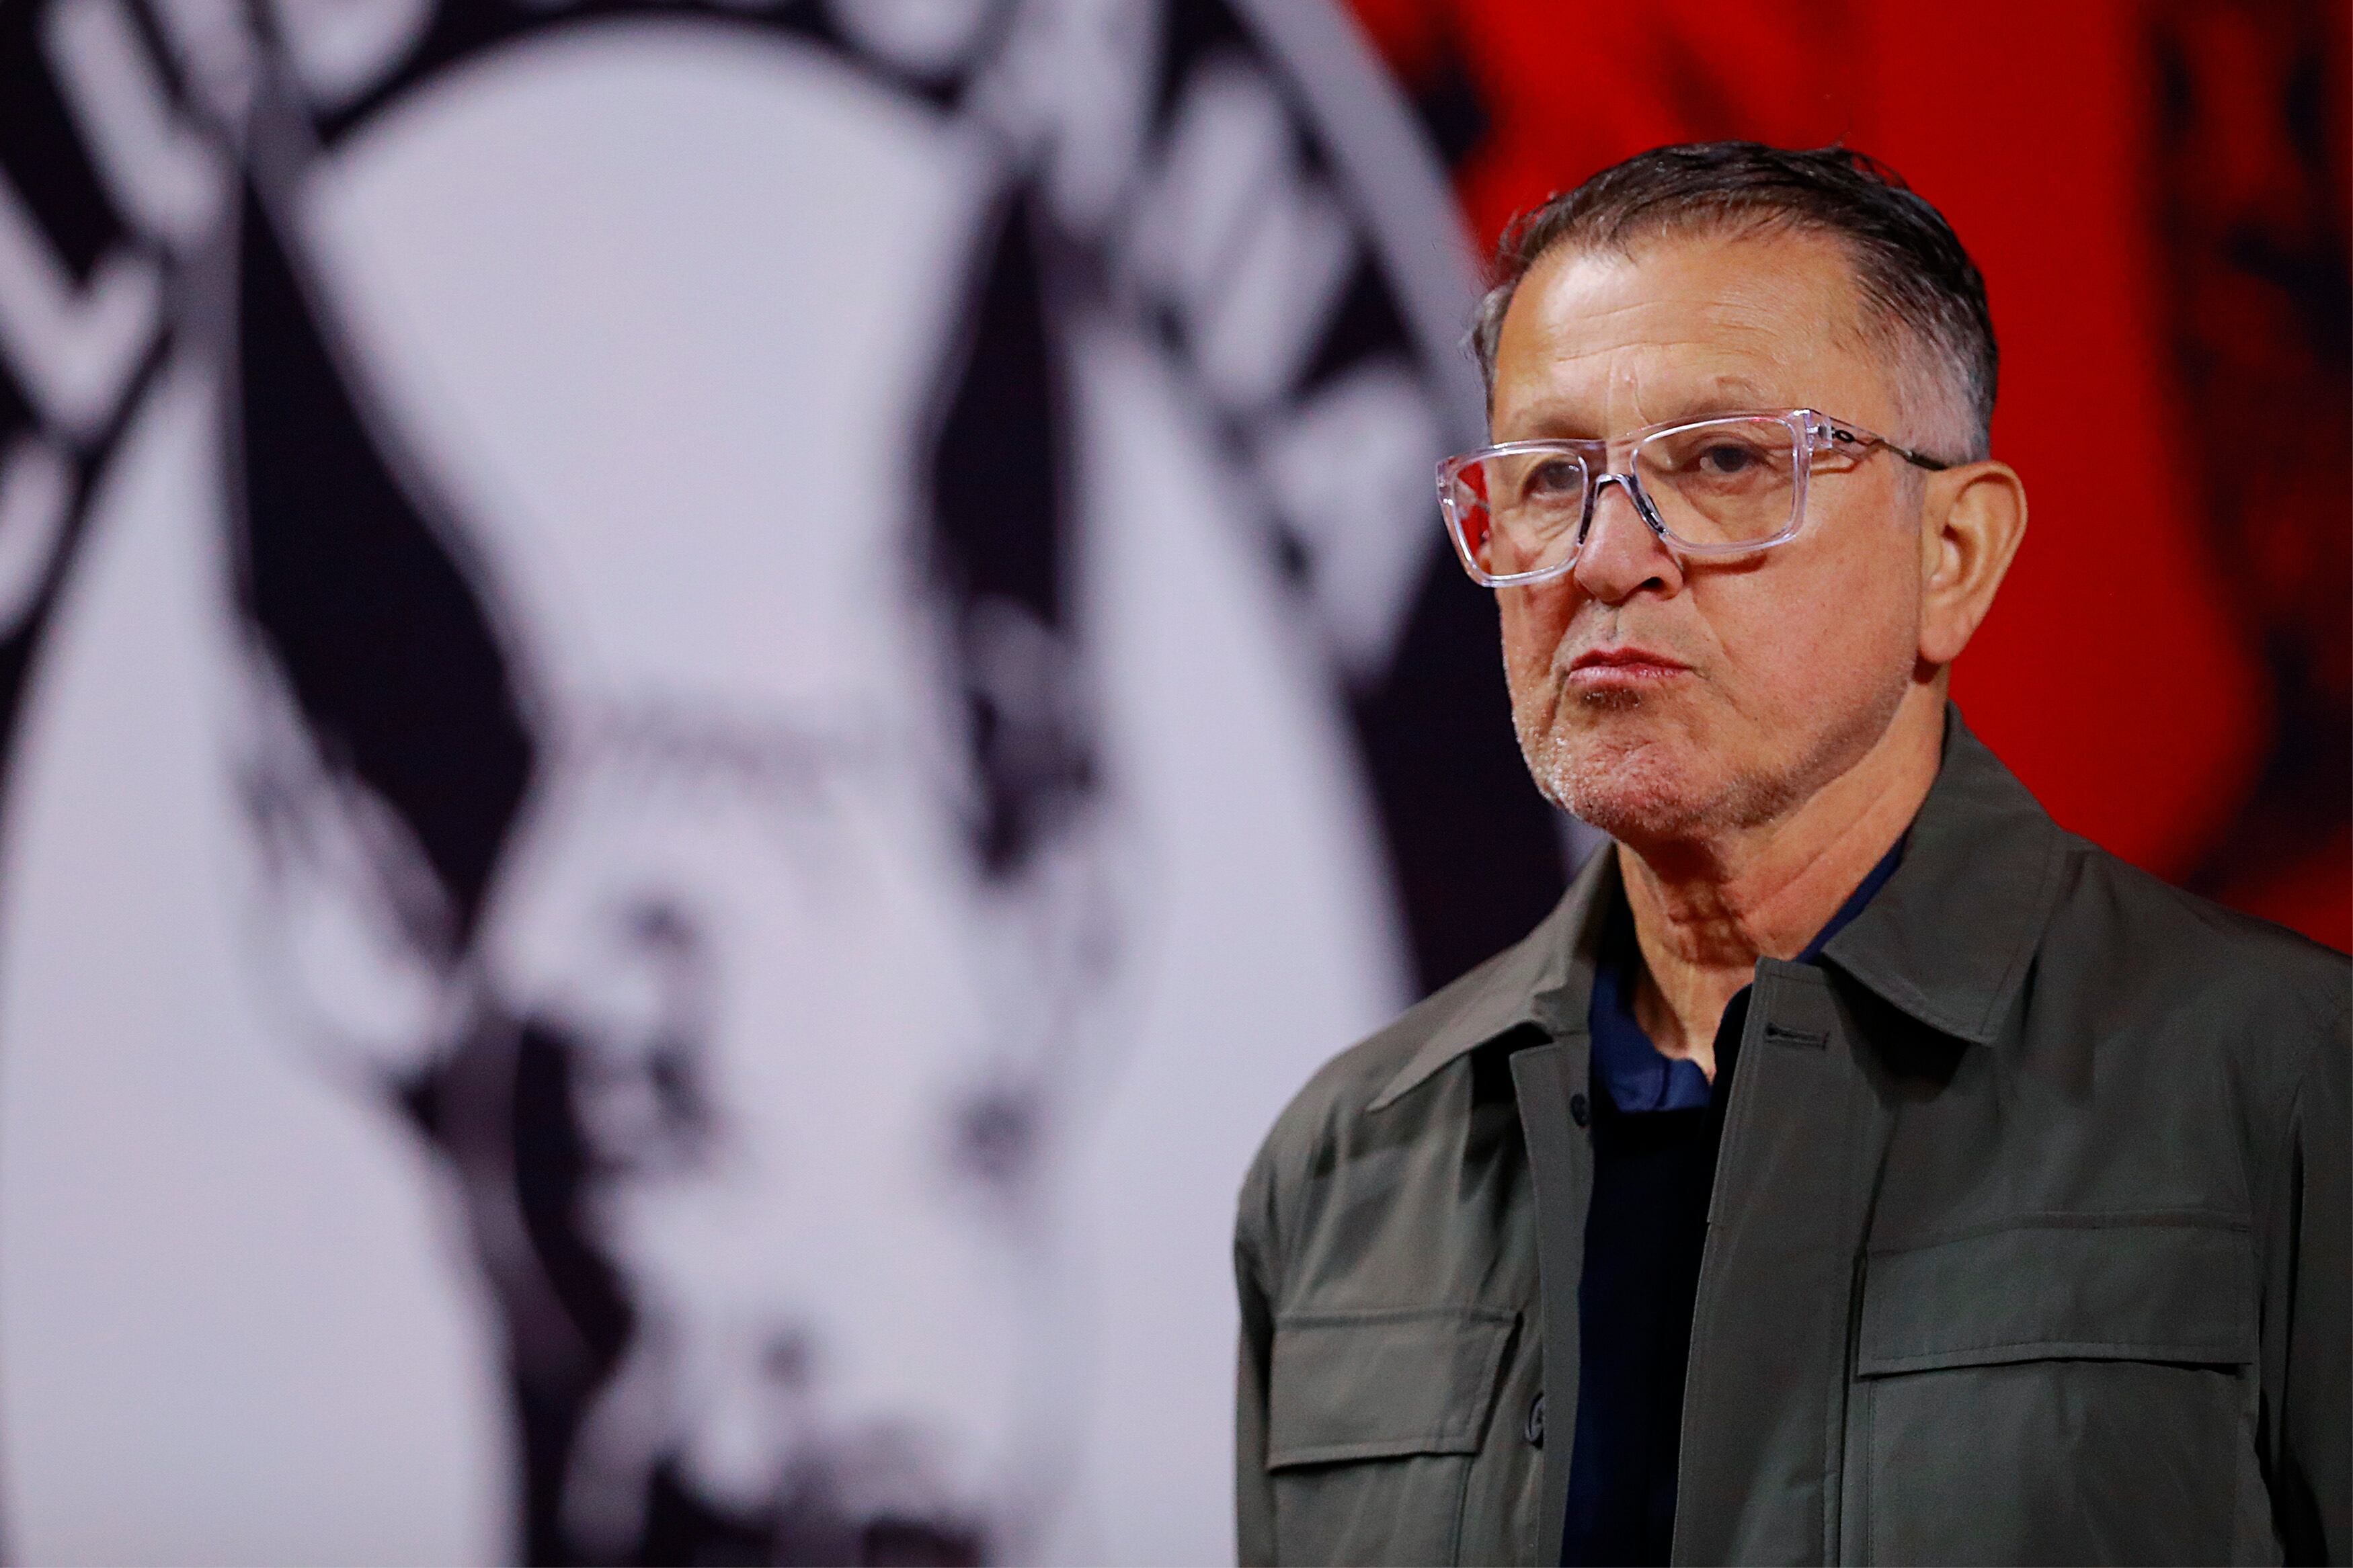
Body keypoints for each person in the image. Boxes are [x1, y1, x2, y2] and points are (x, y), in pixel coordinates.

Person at [1233, 141, 2348, 1567]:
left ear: (1953, 554)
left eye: (1724, 461)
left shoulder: (2294, 1087)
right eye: (1550, 477)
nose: (1607, 558)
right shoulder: (1347, 1165)